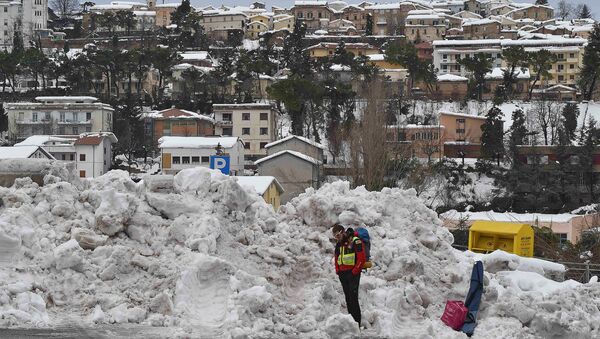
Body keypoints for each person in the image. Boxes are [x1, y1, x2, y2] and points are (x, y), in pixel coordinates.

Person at [332, 224, 366, 327]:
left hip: (353, 274)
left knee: (353, 299)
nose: (337, 238)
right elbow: (337, 258)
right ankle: (351, 323)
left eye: (338, 235)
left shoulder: (355, 241)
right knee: (348, 299)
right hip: (343, 275)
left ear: (343, 232)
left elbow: (361, 259)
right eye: (335, 237)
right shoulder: (339, 244)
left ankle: (357, 324)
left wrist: (354, 272)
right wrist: (338, 271)